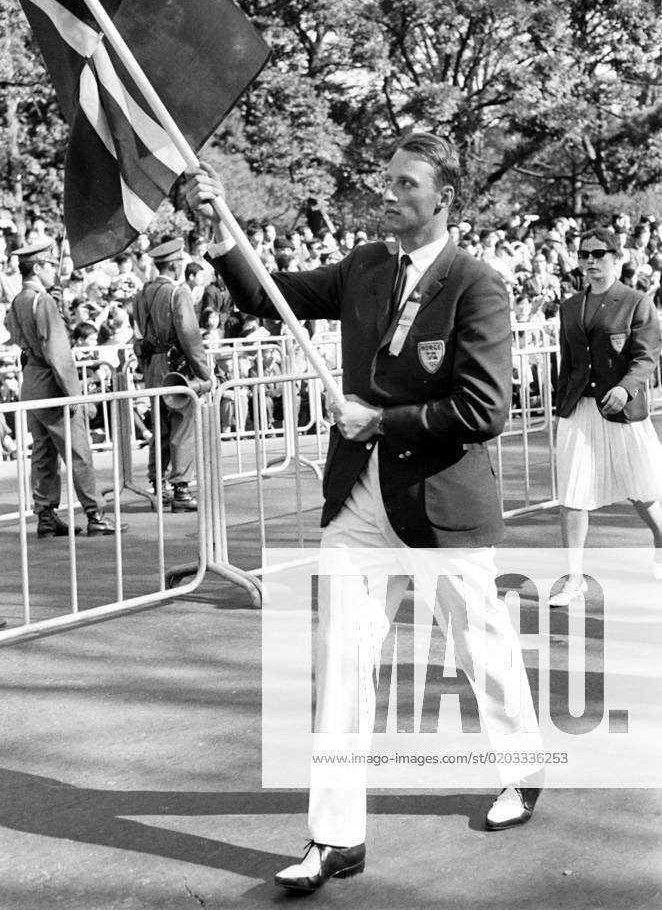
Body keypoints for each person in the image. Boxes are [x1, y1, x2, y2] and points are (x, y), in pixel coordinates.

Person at [187, 131, 543, 894]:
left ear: (443, 198)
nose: (389, 192)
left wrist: (381, 421)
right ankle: (335, 838)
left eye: (406, 183)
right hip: (358, 500)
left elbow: (484, 409)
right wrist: (224, 238)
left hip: (441, 502)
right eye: (386, 180)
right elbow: (267, 295)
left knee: (480, 644)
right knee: (342, 662)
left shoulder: (478, 284)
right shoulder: (364, 265)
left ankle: (523, 764)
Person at [554, 226, 662, 604]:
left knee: (643, 490)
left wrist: (625, 387)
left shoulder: (636, 302)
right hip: (579, 409)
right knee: (572, 495)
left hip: (622, 409)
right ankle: (574, 577)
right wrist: (560, 406)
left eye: (599, 254)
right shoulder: (569, 306)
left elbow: (646, 357)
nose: (590, 261)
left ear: (617, 258)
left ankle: (661, 539)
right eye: (584, 254)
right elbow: (567, 362)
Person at [6, 241, 122, 538]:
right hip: (53, 384)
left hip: (31, 383)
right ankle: (95, 514)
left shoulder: (20, 299)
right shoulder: (41, 301)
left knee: (43, 453)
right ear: (37, 267)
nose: (53, 271)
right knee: (78, 451)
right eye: (49, 265)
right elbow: (58, 353)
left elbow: (18, 335)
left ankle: (45, 515)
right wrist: (74, 395)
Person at [132, 238, 211, 510]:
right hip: (175, 366)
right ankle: (181, 490)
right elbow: (190, 336)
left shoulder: (141, 294)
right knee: (183, 425)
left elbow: (139, 336)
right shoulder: (178, 293)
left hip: (153, 366)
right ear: (177, 265)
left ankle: (159, 485)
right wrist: (204, 373)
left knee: (159, 427)